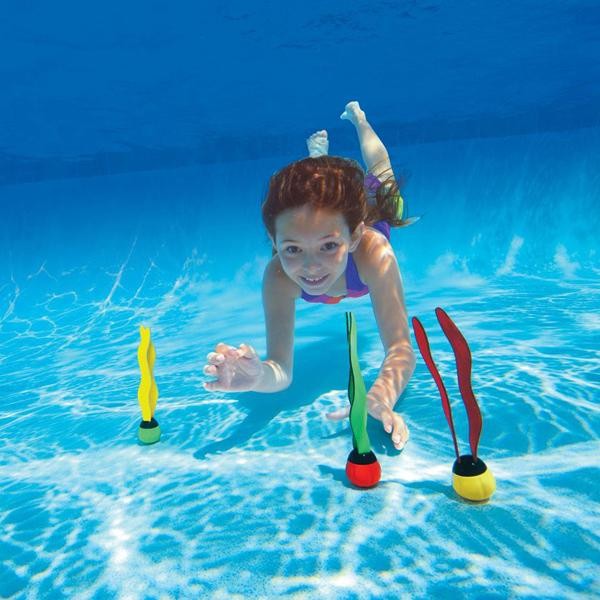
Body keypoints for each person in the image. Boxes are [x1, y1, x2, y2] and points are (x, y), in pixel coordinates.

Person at [203, 101, 416, 450]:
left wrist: (380, 395)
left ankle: (359, 120)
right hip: (332, 231)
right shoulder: (278, 277)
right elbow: (280, 370)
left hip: (367, 218)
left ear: (354, 236)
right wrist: (258, 377)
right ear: (273, 242)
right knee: (316, 203)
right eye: (292, 249)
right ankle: (319, 162)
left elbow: (400, 347)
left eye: (329, 246)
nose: (311, 267)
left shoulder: (374, 254)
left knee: (383, 181)